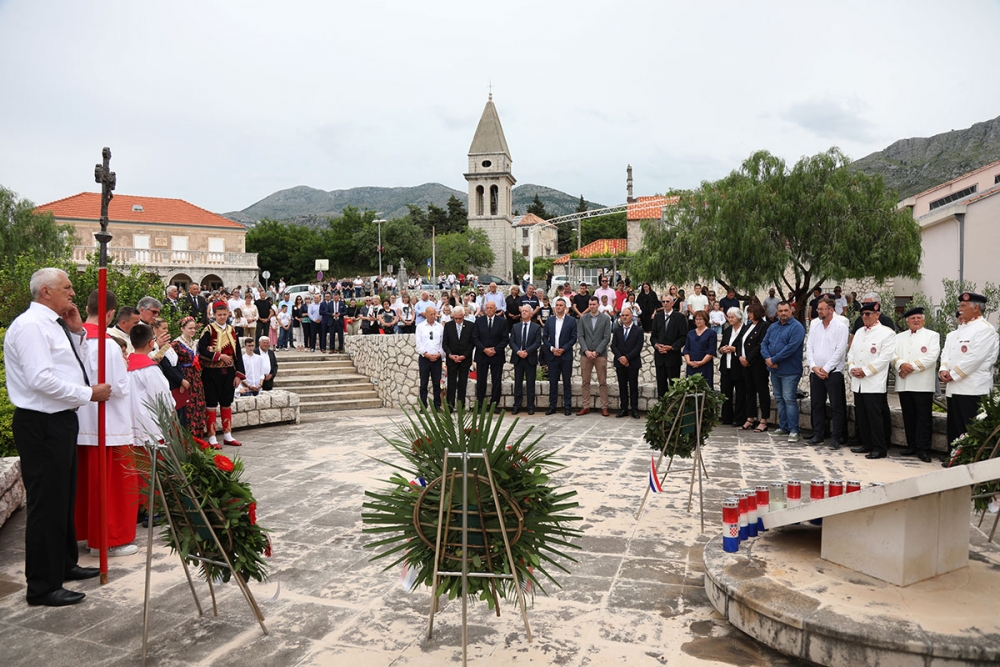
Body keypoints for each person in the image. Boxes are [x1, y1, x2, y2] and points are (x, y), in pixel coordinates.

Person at [5, 268, 112, 606]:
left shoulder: (54, 325)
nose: (73, 294)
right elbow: (40, 379)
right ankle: (42, 585)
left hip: (60, 420)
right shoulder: (31, 327)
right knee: (46, 504)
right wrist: (87, 394)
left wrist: (78, 331)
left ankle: (64, 565)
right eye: (67, 288)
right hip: (41, 423)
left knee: (64, 499)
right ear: (46, 291)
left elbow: (74, 367)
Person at [75, 289, 137, 558]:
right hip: (108, 424)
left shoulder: (73, 339)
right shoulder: (109, 345)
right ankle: (110, 540)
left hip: (80, 422)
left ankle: (88, 535)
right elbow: (119, 387)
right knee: (113, 488)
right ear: (111, 313)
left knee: (86, 485)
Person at [939, 292, 1000, 448]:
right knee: (955, 426)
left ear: (976, 308)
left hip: (972, 388)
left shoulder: (985, 329)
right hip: (954, 386)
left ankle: (967, 459)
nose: (959, 309)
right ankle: (954, 455)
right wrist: (943, 369)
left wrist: (952, 374)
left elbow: (975, 358)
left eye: (963, 306)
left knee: (969, 428)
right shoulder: (960, 330)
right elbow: (948, 353)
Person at [847, 302, 897, 459]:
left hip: (874, 382)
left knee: (875, 417)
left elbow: (885, 358)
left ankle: (879, 447)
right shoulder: (860, 332)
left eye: (868, 314)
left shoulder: (886, 333)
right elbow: (852, 353)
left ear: (877, 315)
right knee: (862, 416)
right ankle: (866, 443)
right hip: (858, 382)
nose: (864, 317)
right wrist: (852, 368)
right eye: (862, 314)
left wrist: (866, 371)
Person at [893, 307, 940, 462]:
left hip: (922, 383)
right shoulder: (899, 337)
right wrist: (900, 364)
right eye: (912, 318)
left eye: (919, 318)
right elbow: (891, 354)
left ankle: (923, 449)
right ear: (907, 322)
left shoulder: (932, 336)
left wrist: (909, 368)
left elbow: (932, 356)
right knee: (909, 416)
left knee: (923, 418)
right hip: (904, 383)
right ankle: (911, 445)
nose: (916, 321)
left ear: (924, 320)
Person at [199, 301, 245, 447]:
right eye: (219, 315)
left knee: (227, 402)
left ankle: (228, 435)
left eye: (225, 314)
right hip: (211, 372)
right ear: (214, 315)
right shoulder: (208, 330)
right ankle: (212, 436)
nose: (222, 317)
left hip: (229, 372)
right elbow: (202, 350)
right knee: (211, 403)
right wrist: (219, 357)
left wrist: (239, 374)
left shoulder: (232, 330)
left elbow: (238, 353)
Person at [805, 297, 849, 449]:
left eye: (822, 309)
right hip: (816, 371)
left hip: (834, 372)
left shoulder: (840, 326)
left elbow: (840, 350)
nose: (819, 311)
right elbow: (809, 347)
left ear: (831, 310)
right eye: (818, 309)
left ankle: (836, 437)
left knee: (837, 406)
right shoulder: (815, 326)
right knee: (817, 404)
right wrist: (813, 366)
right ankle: (818, 434)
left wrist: (827, 368)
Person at [760, 301, 805, 443]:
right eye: (780, 311)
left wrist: (773, 359)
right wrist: (767, 358)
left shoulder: (797, 327)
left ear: (791, 310)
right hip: (774, 370)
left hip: (790, 371)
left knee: (789, 399)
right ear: (777, 312)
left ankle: (794, 430)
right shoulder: (773, 327)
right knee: (779, 398)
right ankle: (783, 427)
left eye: (786, 310)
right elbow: (764, 343)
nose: (783, 313)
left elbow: (791, 348)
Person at [171, 316, 208, 437]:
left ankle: (198, 434)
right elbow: (173, 364)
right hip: (185, 376)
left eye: (194, 328)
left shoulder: (194, 343)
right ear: (182, 329)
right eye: (190, 328)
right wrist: (180, 380)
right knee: (188, 406)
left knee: (198, 404)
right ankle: (188, 436)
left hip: (196, 377)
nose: (193, 331)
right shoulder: (176, 344)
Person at [577, 296, 612, 417]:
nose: (592, 306)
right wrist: (586, 350)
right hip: (585, 355)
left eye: (594, 304)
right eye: (590, 304)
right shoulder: (583, 318)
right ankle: (586, 406)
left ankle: (604, 407)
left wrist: (597, 351)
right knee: (585, 382)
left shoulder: (605, 319)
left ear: (598, 305)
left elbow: (607, 337)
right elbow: (580, 336)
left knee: (602, 382)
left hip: (600, 355)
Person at [738, 303, 771, 433]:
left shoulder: (764, 326)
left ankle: (764, 420)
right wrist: (740, 356)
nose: (749, 314)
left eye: (751, 312)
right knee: (749, 391)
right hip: (745, 364)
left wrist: (748, 359)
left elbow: (760, 345)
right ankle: (750, 417)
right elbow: (740, 342)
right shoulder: (747, 326)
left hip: (757, 364)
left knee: (762, 391)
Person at [543, 297, 578, 416]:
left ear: (565, 307)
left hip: (565, 356)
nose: (558, 307)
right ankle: (552, 406)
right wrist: (552, 349)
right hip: (552, 356)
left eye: (561, 305)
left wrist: (563, 349)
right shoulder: (549, 321)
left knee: (566, 382)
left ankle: (567, 406)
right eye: (557, 305)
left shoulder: (571, 321)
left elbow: (573, 338)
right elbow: (544, 337)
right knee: (553, 382)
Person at [472, 301, 509, 411]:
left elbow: (505, 338)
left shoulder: (502, 322)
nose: (488, 310)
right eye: (487, 308)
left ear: (495, 309)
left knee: (496, 381)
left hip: (496, 355)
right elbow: (475, 337)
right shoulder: (479, 321)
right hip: (482, 354)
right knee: (481, 380)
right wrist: (484, 349)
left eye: (491, 308)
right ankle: (480, 405)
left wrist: (495, 349)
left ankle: (494, 404)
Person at [650, 294, 688, 397]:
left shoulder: (679, 317)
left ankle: (673, 410)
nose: (665, 304)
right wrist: (657, 345)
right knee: (661, 385)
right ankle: (661, 409)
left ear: (672, 303)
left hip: (673, 357)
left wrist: (671, 347)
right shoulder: (658, 317)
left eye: (667, 301)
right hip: (660, 357)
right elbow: (653, 336)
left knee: (674, 386)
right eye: (663, 302)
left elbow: (683, 337)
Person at [509, 304, 542, 415]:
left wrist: (527, 352)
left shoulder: (536, 327)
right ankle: (516, 405)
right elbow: (512, 341)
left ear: (530, 313)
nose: (523, 313)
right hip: (518, 358)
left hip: (530, 358)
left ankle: (530, 406)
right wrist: (518, 352)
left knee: (530, 384)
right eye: (522, 311)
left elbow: (537, 342)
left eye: (526, 311)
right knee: (518, 383)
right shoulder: (515, 326)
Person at [611, 305, 643, 419]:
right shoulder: (617, 330)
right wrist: (621, 358)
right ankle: (623, 408)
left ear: (632, 316)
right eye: (622, 315)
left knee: (633, 386)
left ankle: (634, 409)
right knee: (622, 386)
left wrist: (627, 358)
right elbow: (613, 345)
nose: (624, 317)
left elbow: (638, 346)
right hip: (620, 363)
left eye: (626, 315)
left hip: (632, 363)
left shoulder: (638, 330)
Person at [718, 308, 747, 427]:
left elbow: (746, 347)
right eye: (729, 317)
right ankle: (727, 417)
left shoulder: (745, 330)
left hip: (738, 366)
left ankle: (739, 418)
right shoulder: (727, 330)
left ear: (739, 318)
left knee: (740, 393)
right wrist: (722, 349)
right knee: (725, 392)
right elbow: (720, 346)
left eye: (732, 317)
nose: (730, 319)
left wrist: (734, 349)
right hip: (726, 365)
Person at [443, 305, 474, 410]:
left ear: (464, 316)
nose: (458, 320)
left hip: (464, 360)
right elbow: (445, 343)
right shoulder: (448, 326)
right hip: (452, 360)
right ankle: (450, 407)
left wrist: (464, 356)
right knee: (451, 383)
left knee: (462, 383)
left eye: (460, 318)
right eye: (456, 318)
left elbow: (471, 343)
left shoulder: (470, 326)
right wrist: (450, 355)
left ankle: (461, 406)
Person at [415, 305, 444, 410]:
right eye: (431, 314)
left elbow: (443, 343)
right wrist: (426, 354)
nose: (433, 316)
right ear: (426, 315)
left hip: (437, 358)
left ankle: (437, 405)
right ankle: (423, 406)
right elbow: (418, 343)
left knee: (437, 383)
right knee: (424, 383)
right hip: (425, 359)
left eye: (434, 314)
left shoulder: (440, 327)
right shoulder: (420, 327)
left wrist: (439, 354)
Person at [684, 311, 717, 388]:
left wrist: (701, 363)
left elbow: (711, 351)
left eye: (700, 319)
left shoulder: (711, 333)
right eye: (696, 319)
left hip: (705, 365)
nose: (698, 321)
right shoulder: (690, 333)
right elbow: (686, 349)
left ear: (705, 320)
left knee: (705, 387)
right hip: (691, 365)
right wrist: (688, 362)